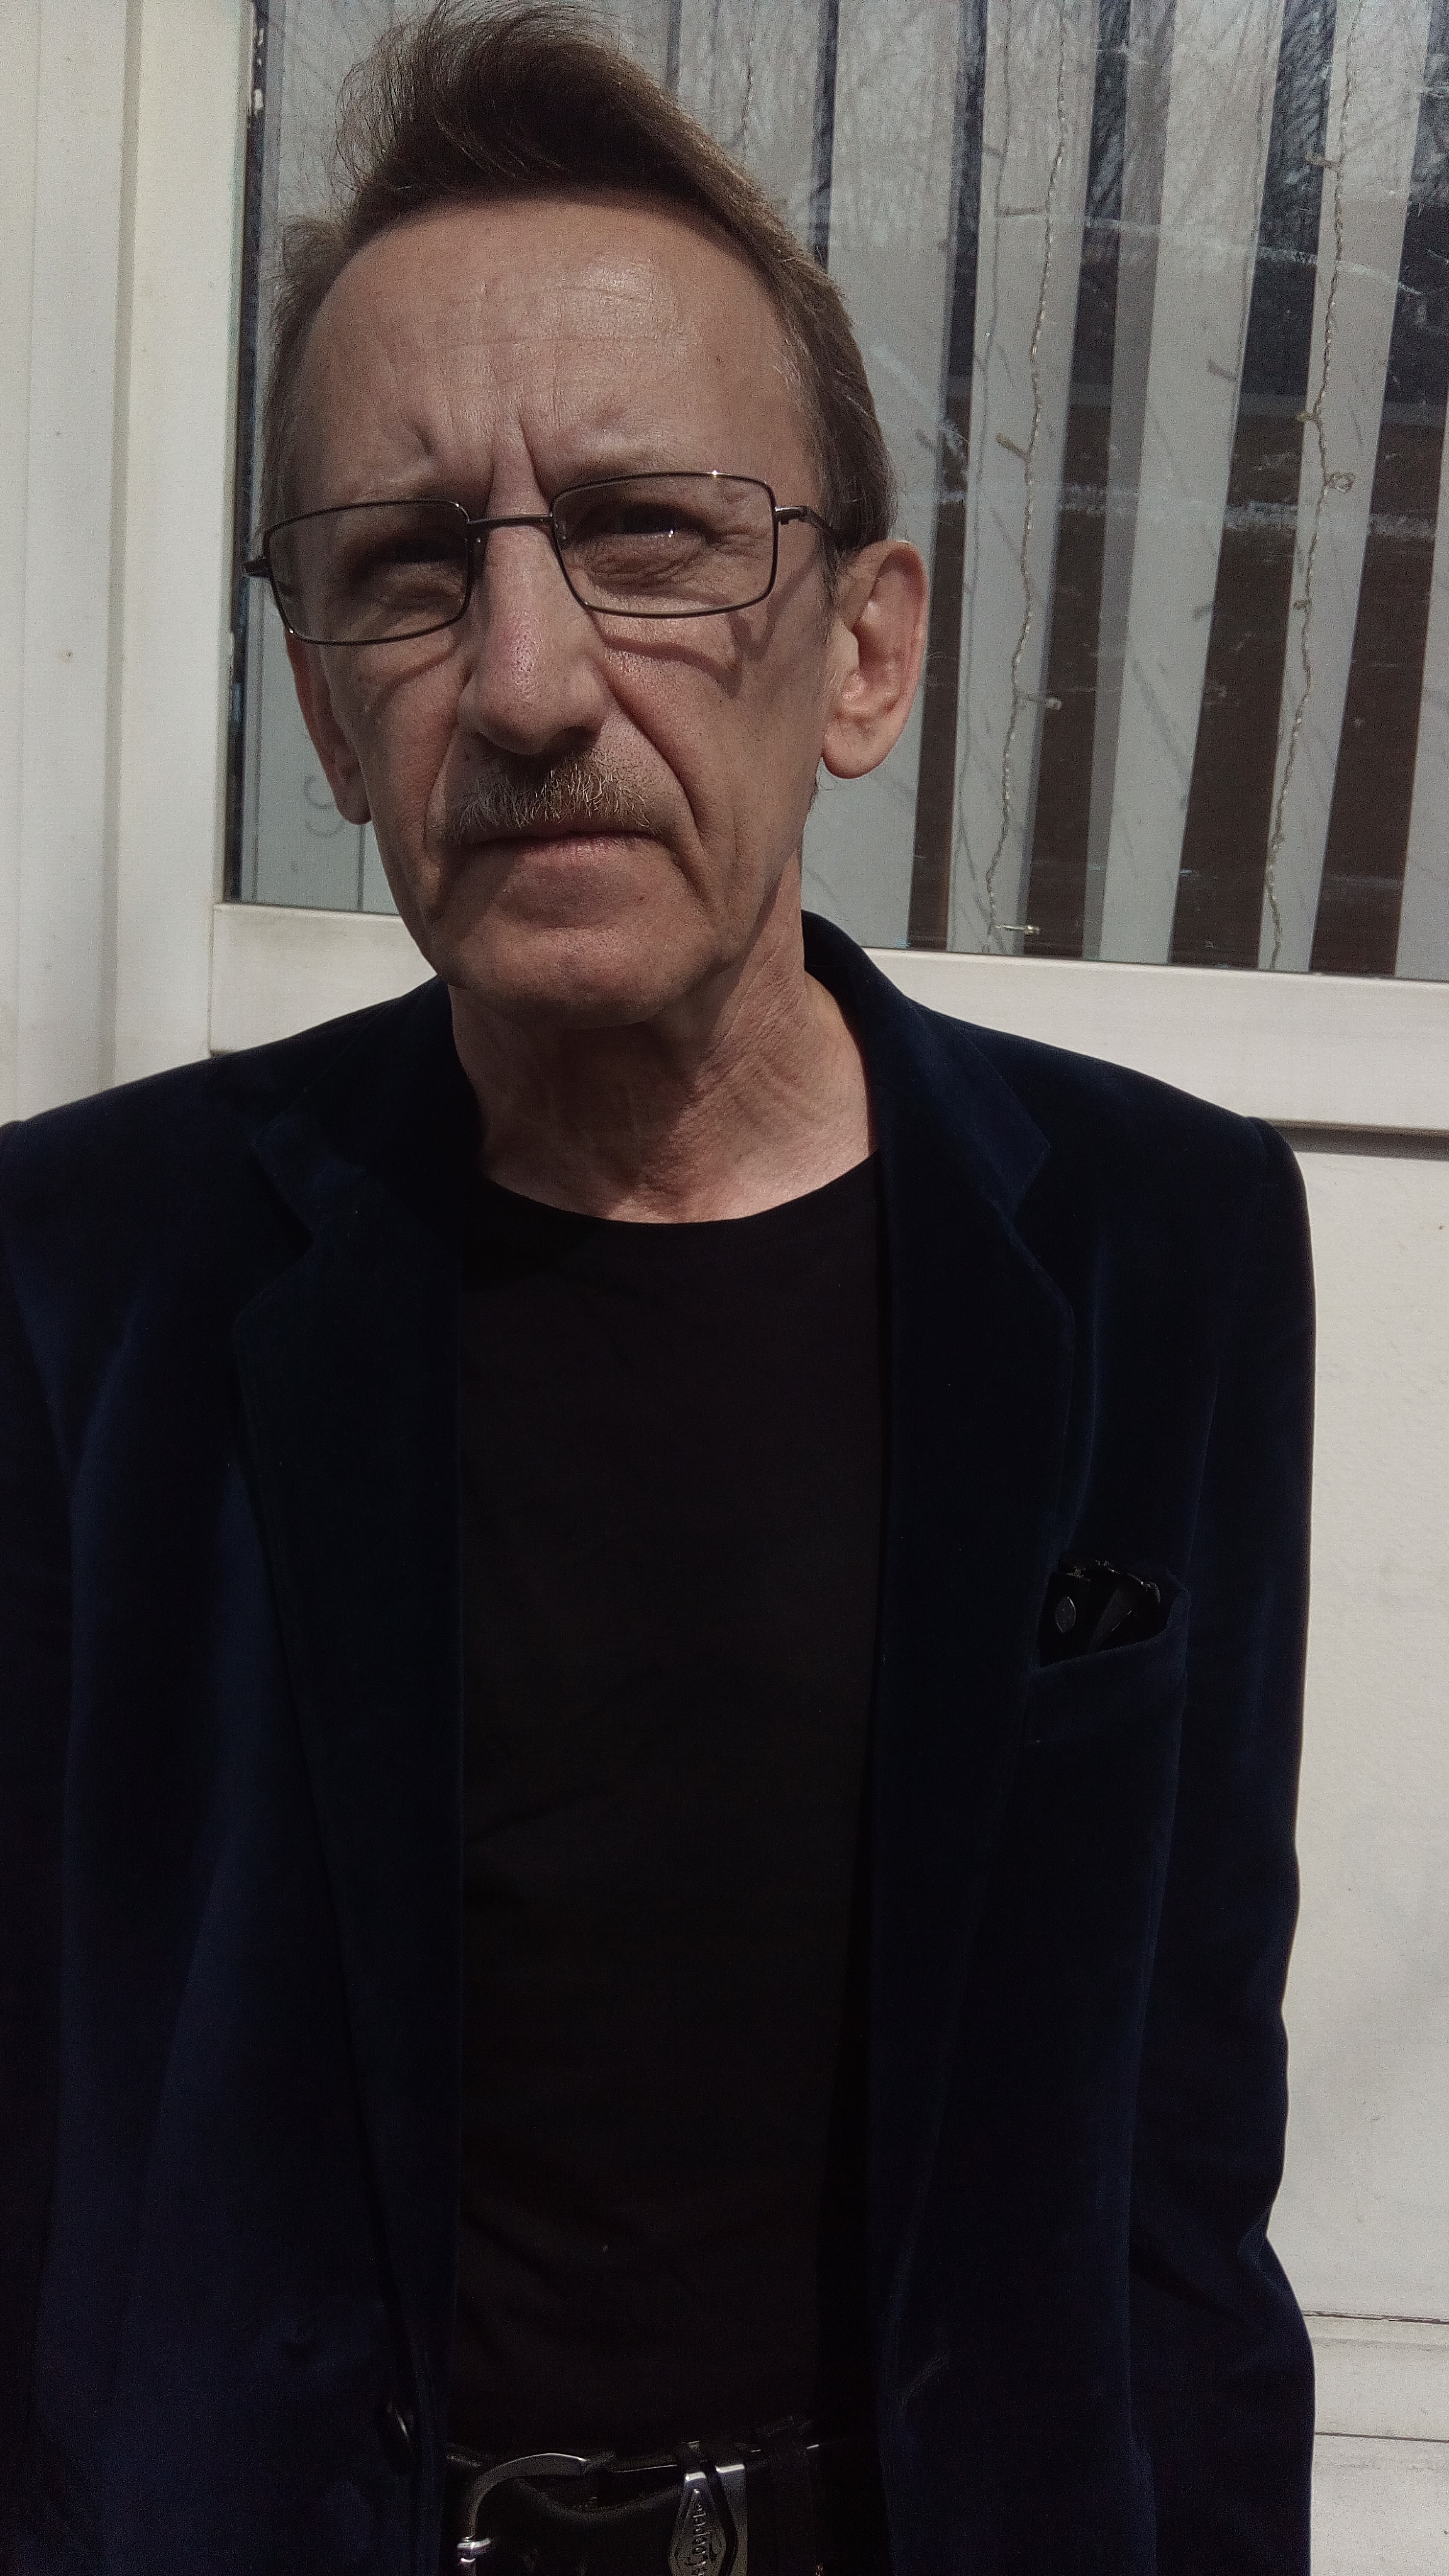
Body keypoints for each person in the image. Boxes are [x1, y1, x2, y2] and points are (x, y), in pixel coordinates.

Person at [0, 8, 1316, 2572]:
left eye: (645, 534)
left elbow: (1180, 2154)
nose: (524, 681)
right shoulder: (84, 1285)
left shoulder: (1159, 1248)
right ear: (323, 706)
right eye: (409, 570)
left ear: (866, 648)